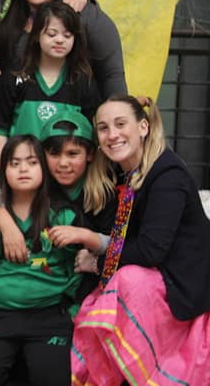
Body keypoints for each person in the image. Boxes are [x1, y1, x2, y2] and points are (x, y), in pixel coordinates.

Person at [71, 96, 210, 385]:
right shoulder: (131, 173)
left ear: (143, 127)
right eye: (103, 128)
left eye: (121, 124)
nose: (112, 135)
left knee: (127, 281)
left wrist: (97, 263)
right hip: (164, 274)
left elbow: (149, 250)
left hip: (184, 283)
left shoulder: (167, 175)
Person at [0, 135, 80, 386]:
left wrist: (75, 308)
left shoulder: (65, 213)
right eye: (14, 163)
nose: (23, 169)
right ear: (2, 172)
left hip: (50, 316)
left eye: (32, 162)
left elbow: (84, 265)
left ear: (44, 169)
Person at [0, 111, 115, 300]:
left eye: (72, 154)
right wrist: (8, 227)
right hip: (43, 285)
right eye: (54, 154)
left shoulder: (102, 193)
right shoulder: (37, 179)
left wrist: (87, 239)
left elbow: (118, 247)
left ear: (89, 154)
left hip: (93, 281)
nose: (63, 163)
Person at [0, 1, 100, 170]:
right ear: (37, 35)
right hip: (21, 173)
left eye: (67, 35)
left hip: (65, 175)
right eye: (52, 34)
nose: (60, 40)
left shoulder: (82, 80)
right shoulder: (15, 75)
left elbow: (91, 135)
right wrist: (1, 176)